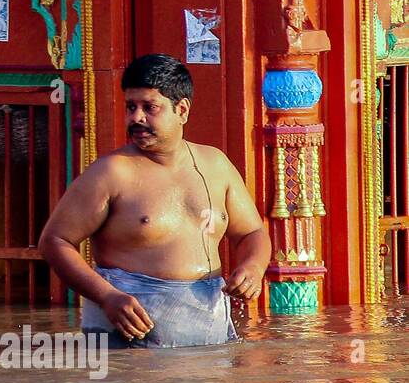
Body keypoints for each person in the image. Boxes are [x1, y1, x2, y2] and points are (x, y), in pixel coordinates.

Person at [37, 53, 271, 347]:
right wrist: (107, 296)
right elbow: (55, 241)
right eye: (130, 107)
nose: (136, 118)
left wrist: (253, 267)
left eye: (149, 107)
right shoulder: (112, 172)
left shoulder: (215, 164)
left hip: (206, 328)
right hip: (127, 335)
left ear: (182, 110)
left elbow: (252, 233)